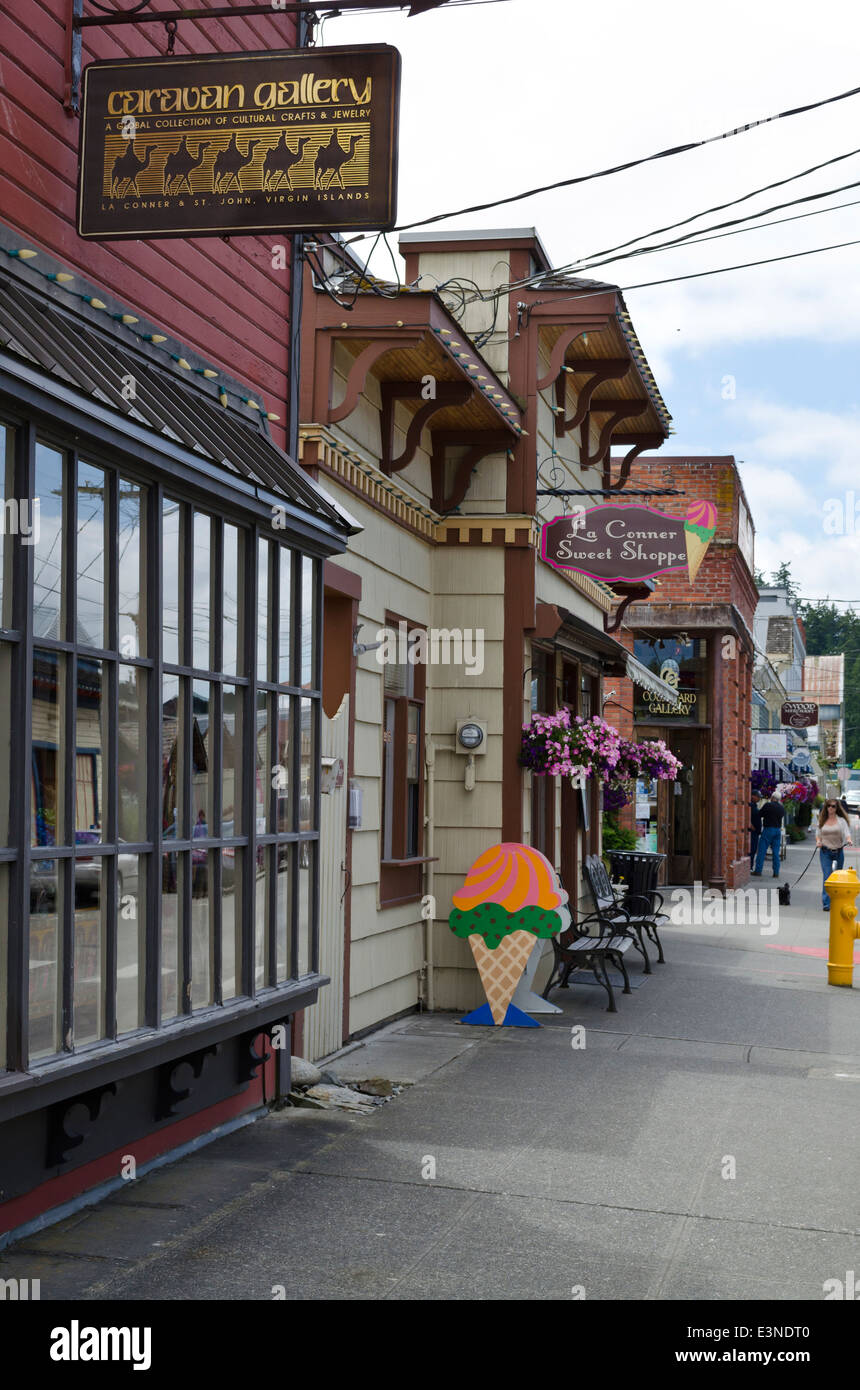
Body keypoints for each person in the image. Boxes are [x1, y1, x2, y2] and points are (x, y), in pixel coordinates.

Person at [816, 799, 853, 911]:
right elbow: (818, 834)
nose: (831, 808)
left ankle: (836, 901)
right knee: (827, 876)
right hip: (825, 852)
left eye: (833, 806)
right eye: (829, 806)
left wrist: (849, 840)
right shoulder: (822, 820)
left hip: (838, 851)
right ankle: (826, 903)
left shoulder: (841, 821)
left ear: (837, 808)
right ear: (826, 807)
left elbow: (847, 832)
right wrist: (818, 841)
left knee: (837, 877)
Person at [752, 793, 785, 877]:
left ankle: (758, 871)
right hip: (777, 831)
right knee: (775, 852)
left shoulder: (768, 805)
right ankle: (776, 872)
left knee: (762, 850)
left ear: (772, 797)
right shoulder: (781, 808)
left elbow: (759, 814)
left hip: (768, 829)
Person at [750, 797, 762, 868]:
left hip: (756, 832)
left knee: (753, 850)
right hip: (753, 831)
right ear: (753, 796)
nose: (759, 798)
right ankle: (750, 866)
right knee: (751, 849)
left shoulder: (754, 806)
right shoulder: (751, 806)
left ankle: (751, 866)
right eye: (757, 796)